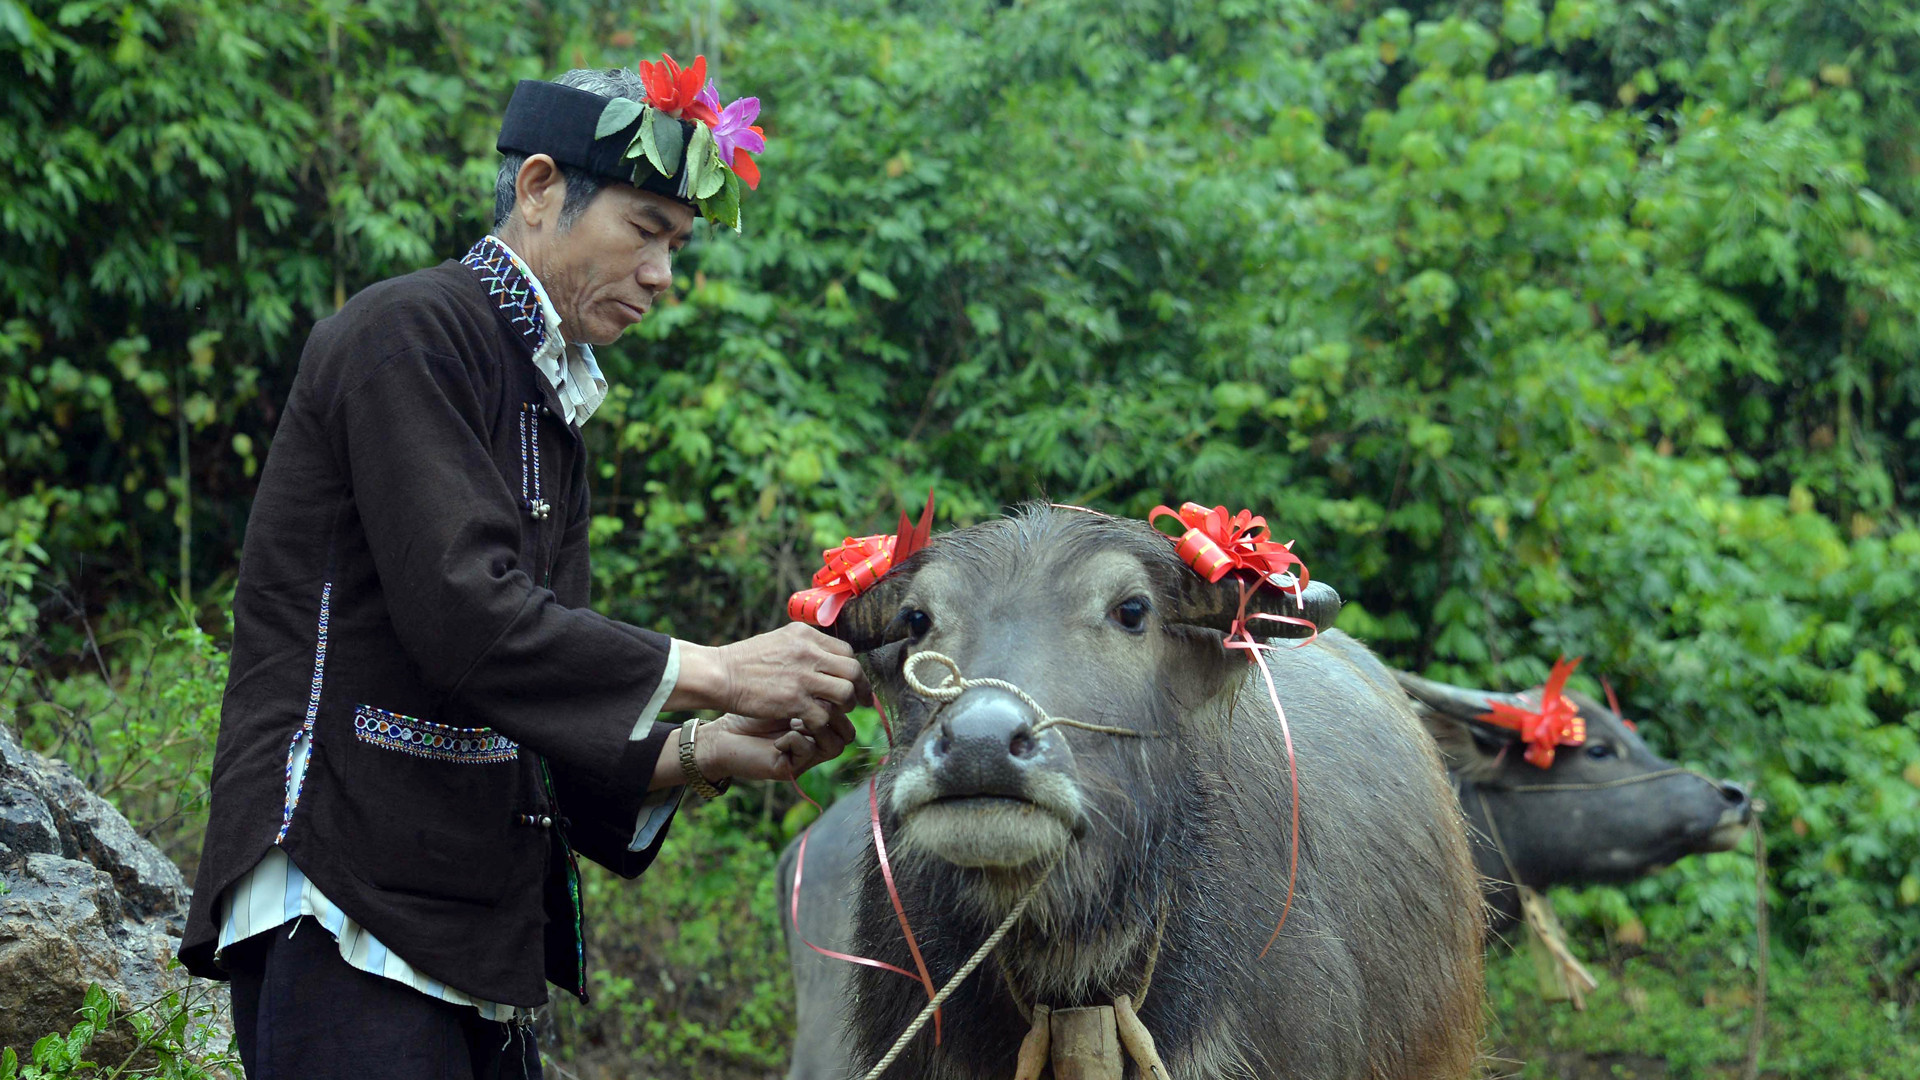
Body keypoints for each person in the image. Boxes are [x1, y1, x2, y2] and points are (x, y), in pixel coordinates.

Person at [178, 58, 852, 1080]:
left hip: (456, 919)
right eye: (645, 230)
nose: (665, 275)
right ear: (540, 190)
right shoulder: (406, 332)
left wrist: (713, 750)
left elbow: (529, 702)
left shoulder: (550, 403)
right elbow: (468, 616)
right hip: (339, 892)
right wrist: (722, 666)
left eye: (678, 244)